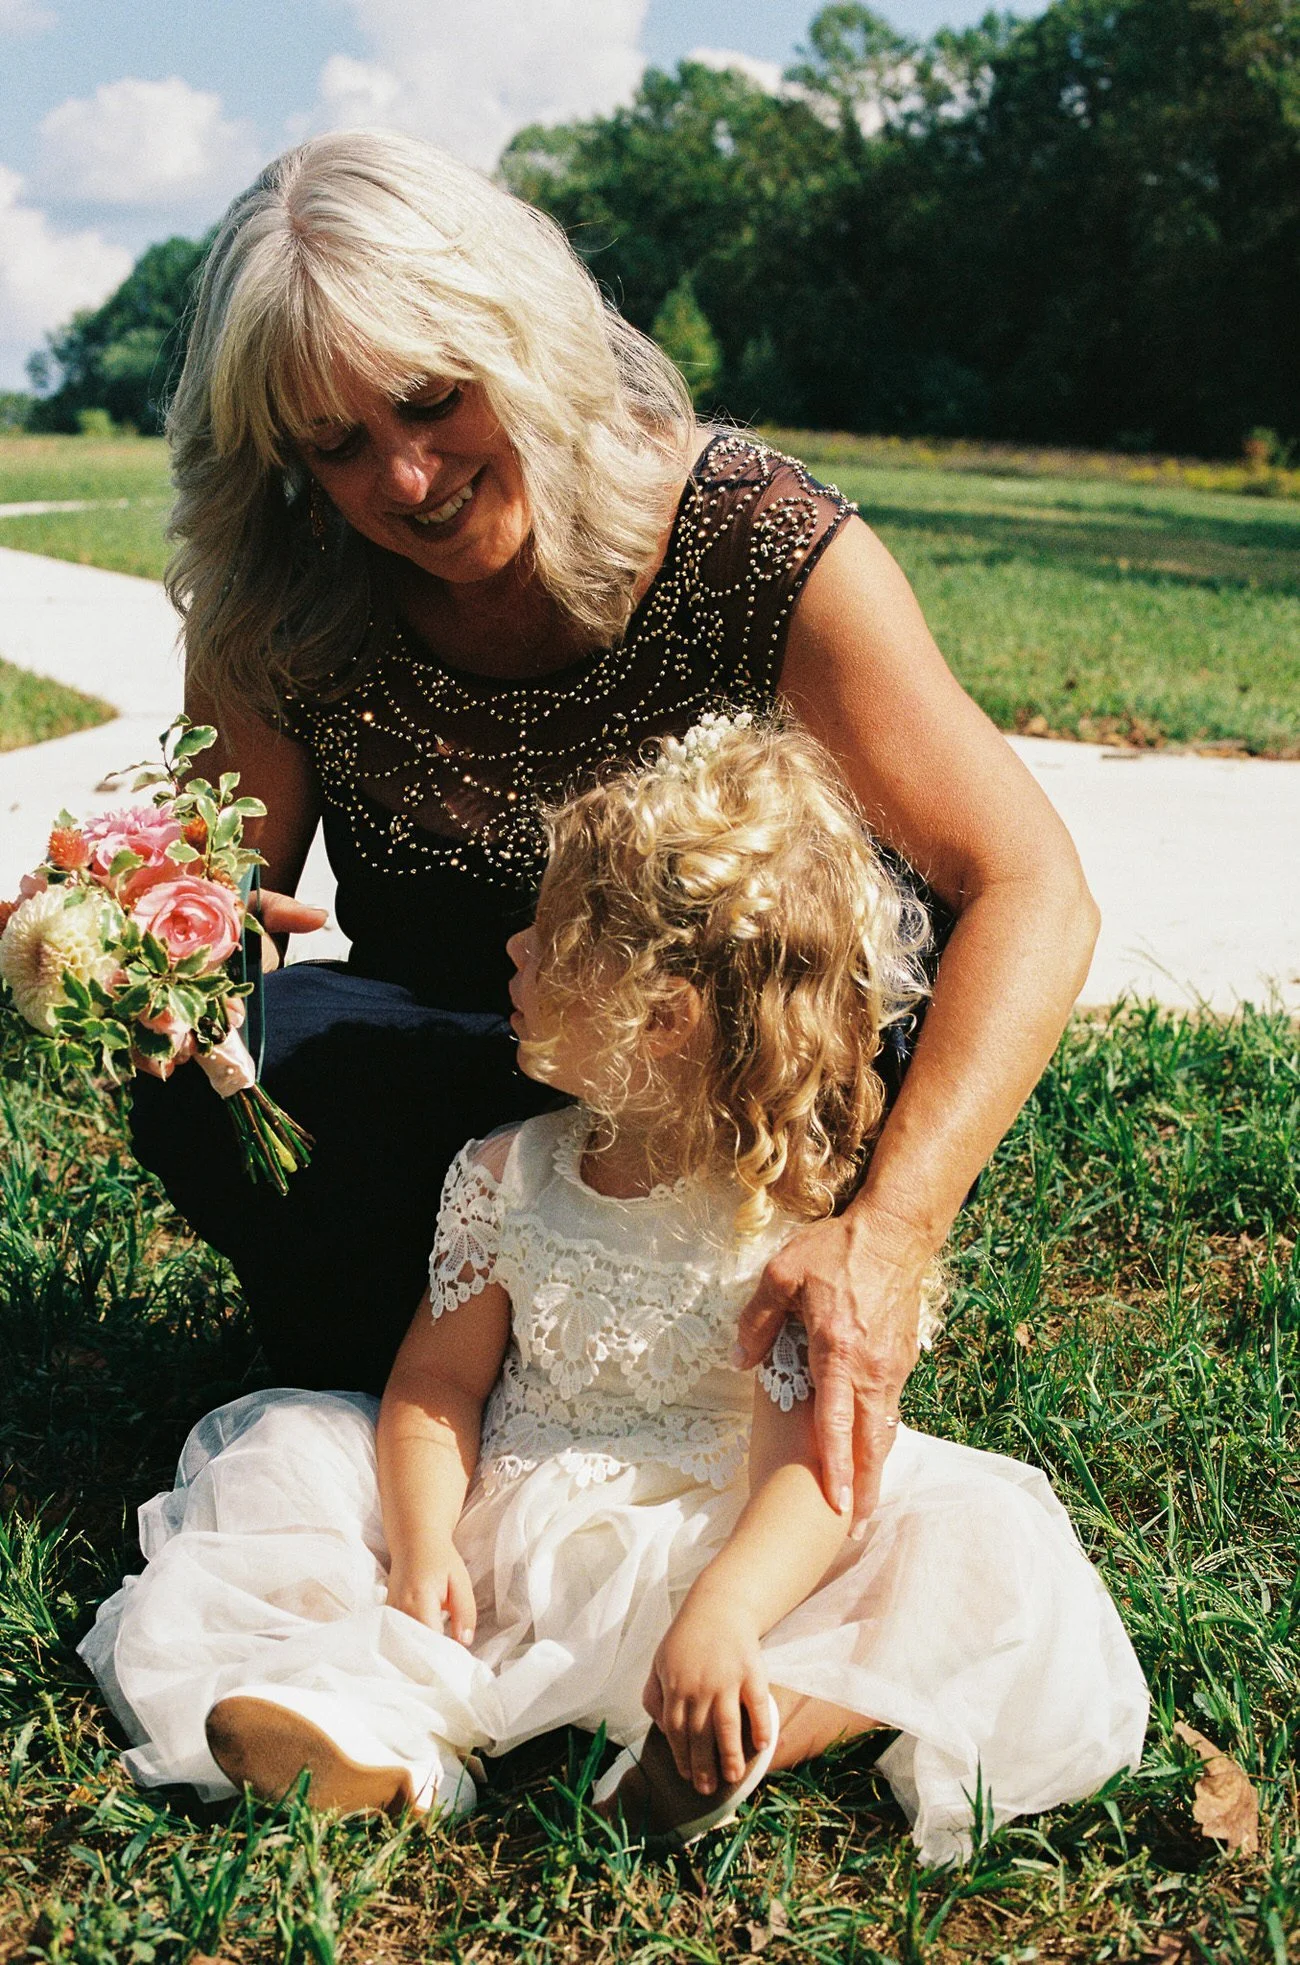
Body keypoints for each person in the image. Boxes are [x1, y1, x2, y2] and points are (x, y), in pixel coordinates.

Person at [131, 127, 1100, 1526]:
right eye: (340, 447)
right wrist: (127, 955)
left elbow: (1031, 886)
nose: (407, 480)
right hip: (462, 1091)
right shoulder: (285, 600)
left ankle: (733, 1363)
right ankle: (402, 1387)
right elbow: (205, 915)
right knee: (217, 1076)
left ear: (522, 340)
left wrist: (891, 1234)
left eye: (432, 399)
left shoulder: (753, 541)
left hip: (731, 1116)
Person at [81, 719, 1147, 1865]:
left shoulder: (793, 1226)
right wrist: (428, 1539)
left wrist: (727, 1612)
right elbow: (437, 1382)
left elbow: (813, 1476)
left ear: (660, 1012)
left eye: (549, 936)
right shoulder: (505, 1174)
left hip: (723, 1550)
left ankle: (740, 1725)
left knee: (973, 1548)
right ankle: (391, 1747)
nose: (513, 947)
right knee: (295, 1454)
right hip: (507, 1524)